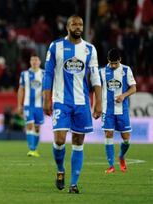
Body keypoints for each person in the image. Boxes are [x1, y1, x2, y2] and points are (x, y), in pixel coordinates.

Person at [43, 15, 102, 194]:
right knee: (59, 140)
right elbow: (48, 74)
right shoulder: (56, 46)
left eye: (80, 24)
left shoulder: (89, 49)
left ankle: (74, 184)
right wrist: (47, 98)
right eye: (74, 24)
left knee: (78, 141)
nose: (78, 26)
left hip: (82, 102)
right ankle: (60, 169)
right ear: (67, 26)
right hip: (61, 100)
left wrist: (98, 102)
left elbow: (95, 77)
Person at [99, 48, 136, 174]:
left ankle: (121, 156)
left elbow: (134, 88)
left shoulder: (126, 70)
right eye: (111, 63)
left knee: (126, 138)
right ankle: (111, 165)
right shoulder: (102, 71)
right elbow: (97, 90)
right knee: (108, 134)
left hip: (122, 110)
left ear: (120, 60)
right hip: (107, 110)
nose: (113, 65)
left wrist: (123, 95)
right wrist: (96, 107)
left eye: (116, 63)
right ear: (108, 60)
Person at [17, 54, 44, 157]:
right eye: (32, 60)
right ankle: (31, 149)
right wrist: (19, 105)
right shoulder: (24, 74)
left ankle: (35, 149)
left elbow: (48, 90)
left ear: (39, 62)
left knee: (37, 128)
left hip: (40, 106)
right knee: (29, 125)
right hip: (28, 105)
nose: (34, 62)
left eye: (36, 60)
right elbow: (21, 89)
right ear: (30, 62)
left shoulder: (44, 74)